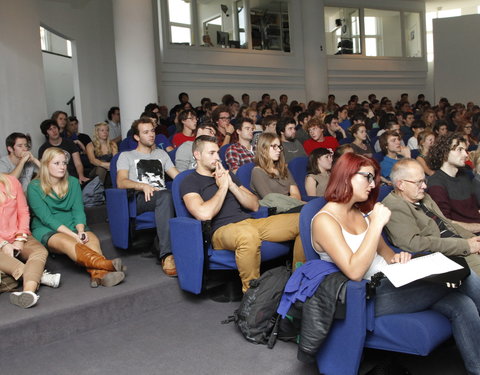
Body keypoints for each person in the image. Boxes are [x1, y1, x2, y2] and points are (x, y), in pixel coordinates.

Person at [312, 152, 480, 375]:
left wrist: (398, 258)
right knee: (463, 273)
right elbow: (354, 271)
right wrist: (375, 225)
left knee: (461, 303)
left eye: (374, 179)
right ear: (347, 176)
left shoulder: (358, 212)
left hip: (392, 278)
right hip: (368, 295)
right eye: (367, 177)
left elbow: (386, 253)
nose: (373, 185)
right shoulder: (325, 220)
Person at [180, 135, 303, 292]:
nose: (217, 157)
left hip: (249, 222)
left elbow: (254, 205)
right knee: (248, 234)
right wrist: (223, 187)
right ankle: (251, 296)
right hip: (221, 231)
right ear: (197, 155)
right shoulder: (189, 181)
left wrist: (231, 185)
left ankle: (299, 282)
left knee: (303, 221)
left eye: (218, 152)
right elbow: (204, 214)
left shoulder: (228, 175)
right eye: (211, 153)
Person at [27, 148, 125, 287]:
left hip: (73, 223)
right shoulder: (34, 187)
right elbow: (46, 218)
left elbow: (78, 211)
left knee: (93, 240)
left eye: (64, 163)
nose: (62, 167)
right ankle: (107, 264)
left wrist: (80, 230)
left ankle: (98, 275)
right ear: (46, 165)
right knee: (69, 242)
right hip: (47, 228)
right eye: (57, 163)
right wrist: (73, 236)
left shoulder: (72, 182)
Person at [382, 158, 480, 274]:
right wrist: (466, 245)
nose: (424, 186)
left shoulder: (423, 196)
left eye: (424, 181)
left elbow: (447, 223)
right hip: (447, 256)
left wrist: (475, 241)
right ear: (401, 185)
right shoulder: (393, 206)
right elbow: (414, 244)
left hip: (459, 244)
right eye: (419, 182)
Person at [116, 117, 179, 275]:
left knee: (176, 197)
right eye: (146, 132)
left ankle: (159, 244)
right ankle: (167, 254)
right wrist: (142, 185)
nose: (151, 135)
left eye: (152, 131)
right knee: (166, 196)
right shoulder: (127, 156)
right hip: (140, 198)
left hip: (162, 196)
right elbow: (121, 182)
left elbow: (177, 177)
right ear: (137, 137)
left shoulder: (161, 154)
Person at [0, 173, 60, 308]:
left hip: (18, 234)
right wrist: (3, 244)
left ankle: (27, 292)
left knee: (40, 252)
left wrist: (20, 238)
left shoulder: (11, 181)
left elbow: (23, 212)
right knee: (8, 262)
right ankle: (41, 277)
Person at [427, 133, 480, 233]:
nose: (465, 154)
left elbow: (473, 211)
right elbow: (446, 224)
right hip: (464, 236)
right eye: (459, 150)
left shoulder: (463, 176)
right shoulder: (436, 184)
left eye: (465, 150)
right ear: (445, 153)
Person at [250, 133, 302, 202]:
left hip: (291, 206)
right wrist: (291, 199)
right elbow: (271, 200)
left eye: (279, 146)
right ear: (264, 148)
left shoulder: (283, 168)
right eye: (274, 146)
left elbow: (297, 195)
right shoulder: (257, 172)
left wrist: (291, 200)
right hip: (276, 211)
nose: (279, 150)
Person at [38, 119, 90, 184]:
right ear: (46, 133)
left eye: (55, 127)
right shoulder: (43, 149)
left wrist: (81, 176)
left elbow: (78, 163)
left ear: (58, 129)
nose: (54, 131)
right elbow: (44, 169)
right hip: (55, 181)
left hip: (73, 178)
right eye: (50, 129)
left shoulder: (70, 143)